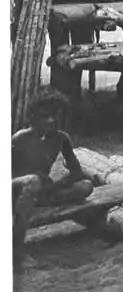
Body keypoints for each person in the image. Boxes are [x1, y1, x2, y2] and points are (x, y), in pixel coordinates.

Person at [13, 90, 95, 263]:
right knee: (32, 181)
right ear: (33, 117)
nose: (51, 121)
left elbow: (77, 173)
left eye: (54, 116)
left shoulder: (61, 139)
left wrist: (55, 185)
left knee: (86, 186)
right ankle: (16, 248)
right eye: (45, 116)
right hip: (18, 192)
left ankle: (39, 198)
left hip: (43, 192)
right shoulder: (20, 139)